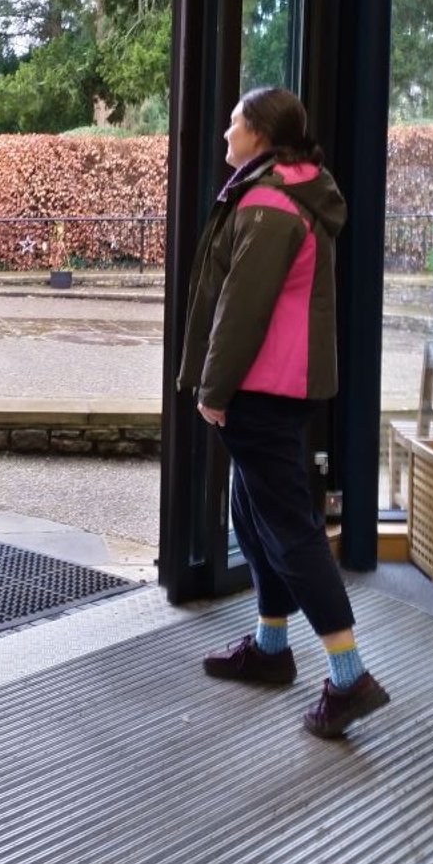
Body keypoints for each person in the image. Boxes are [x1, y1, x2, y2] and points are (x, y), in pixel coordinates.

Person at [178, 86, 389, 739]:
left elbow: (241, 309)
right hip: (280, 384)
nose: (225, 134)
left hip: (262, 386)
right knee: (251, 511)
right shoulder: (290, 189)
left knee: (291, 529)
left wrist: (213, 389)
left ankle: (349, 676)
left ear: (262, 135)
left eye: (234, 123)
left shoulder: (270, 204)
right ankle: (271, 648)